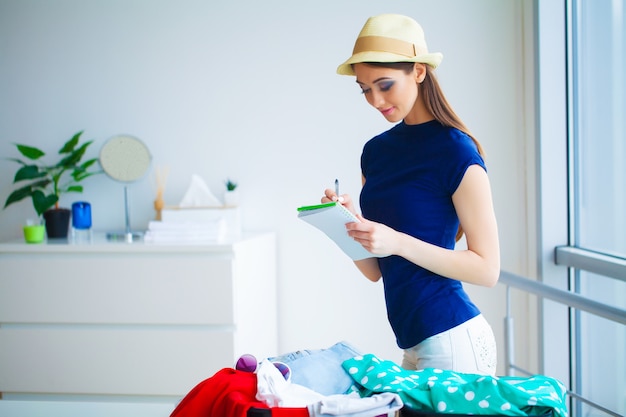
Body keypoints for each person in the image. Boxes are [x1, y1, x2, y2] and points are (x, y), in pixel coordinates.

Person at [322, 13, 500, 375]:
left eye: (384, 85)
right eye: (365, 88)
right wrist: (342, 223)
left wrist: (397, 241)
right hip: (413, 343)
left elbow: (487, 269)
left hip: (454, 339)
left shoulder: (457, 151)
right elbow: (376, 270)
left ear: (419, 71)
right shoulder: (376, 153)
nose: (374, 99)